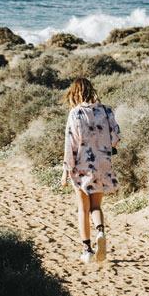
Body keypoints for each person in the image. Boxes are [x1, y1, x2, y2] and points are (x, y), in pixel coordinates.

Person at [60, 77, 121, 264]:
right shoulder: (106, 110)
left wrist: (66, 170)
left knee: (83, 209)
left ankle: (87, 250)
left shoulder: (75, 113)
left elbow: (70, 144)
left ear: (75, 93)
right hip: (102, 163)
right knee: (96, 206)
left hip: (81, 166)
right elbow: (116, 137)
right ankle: (100, 231)